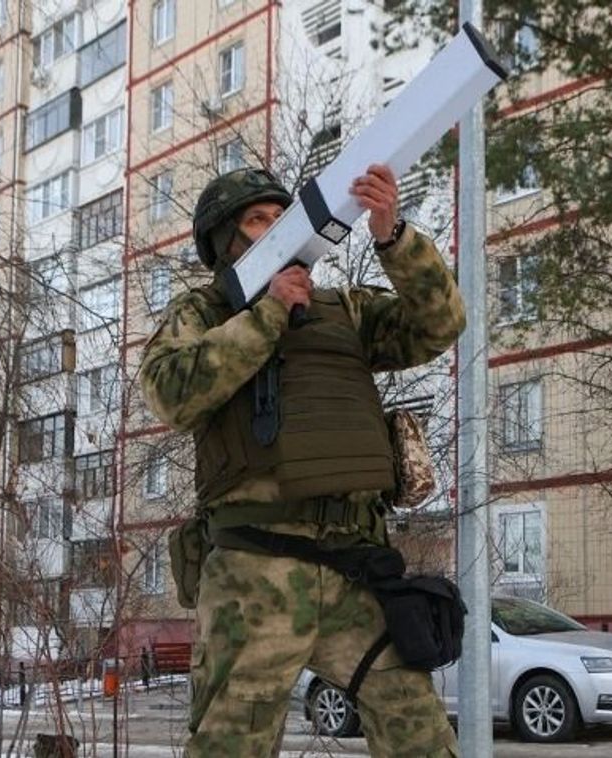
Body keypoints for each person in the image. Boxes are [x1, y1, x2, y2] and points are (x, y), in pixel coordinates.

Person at [138, 164, 465, 757]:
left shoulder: (345, 310)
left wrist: (392, 235)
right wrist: (265, 319)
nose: (274, 230)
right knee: (232, 745)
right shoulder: (205, 313)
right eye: (256, 220)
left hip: (356, 570)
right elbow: (169, 391)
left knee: (420, 731)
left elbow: (438, 325)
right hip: (256, 575)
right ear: (224, 244)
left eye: (280, 217)